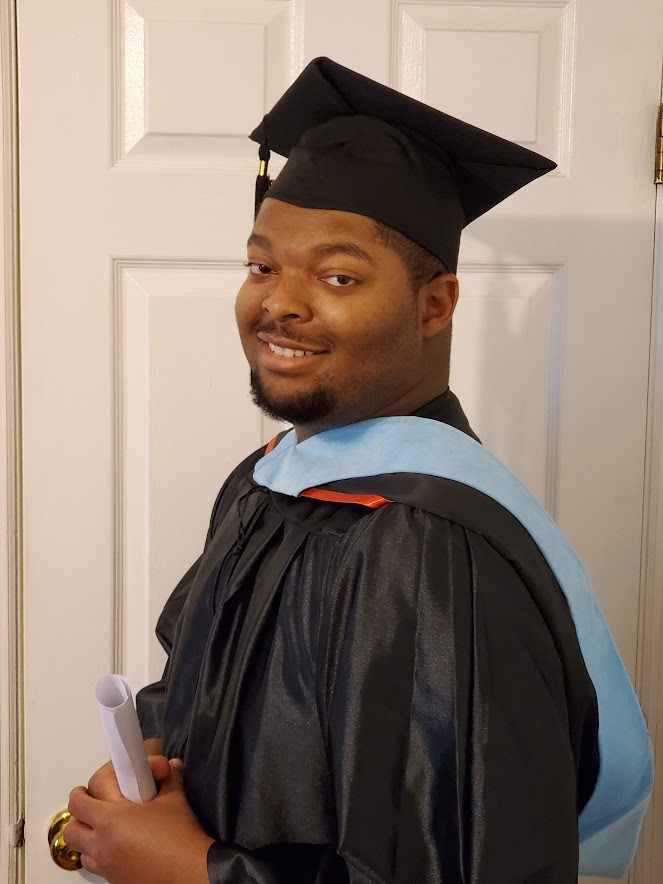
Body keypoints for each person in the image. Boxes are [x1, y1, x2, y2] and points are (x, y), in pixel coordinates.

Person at [64, 57, 652, 883]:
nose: (278, 303)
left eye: (337, 276)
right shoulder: (271, 477)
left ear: (435, 305)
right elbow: (203, 680)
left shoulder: (433, 550)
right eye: (262, 265)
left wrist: (196, 872)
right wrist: (149, 765)